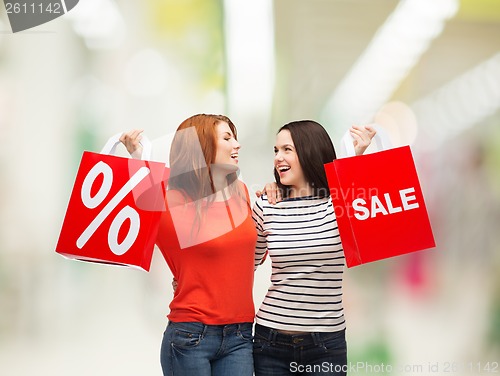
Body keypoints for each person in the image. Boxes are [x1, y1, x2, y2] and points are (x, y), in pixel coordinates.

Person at [120, 114, 256, 376]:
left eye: (235, 137)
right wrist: (138, 154)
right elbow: (138, 195)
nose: (237, 144)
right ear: (201, 147)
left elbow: (253, 255)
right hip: (191, 336)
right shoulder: (170, 201)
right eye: (227, 138)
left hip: (240, 335)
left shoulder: (242, 192)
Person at [252, 120, 375, 376]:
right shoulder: (267, 205)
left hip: (325, 345)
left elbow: (378, 212)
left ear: (309, 152)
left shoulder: (341, 203)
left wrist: (357, 155)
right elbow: (245, 263)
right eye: (276, 150)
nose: (278, 157)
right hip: (270, 341)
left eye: (287, 149)